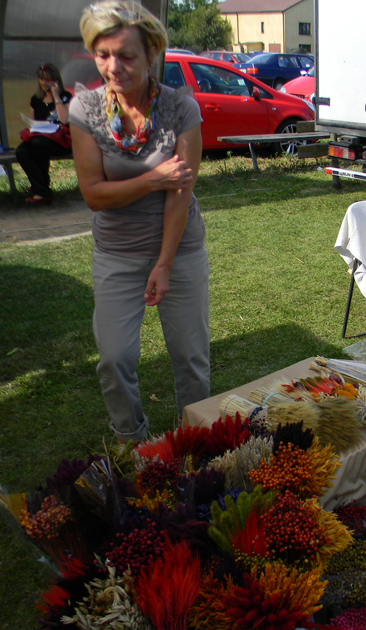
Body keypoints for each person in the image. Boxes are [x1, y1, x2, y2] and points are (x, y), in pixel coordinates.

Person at [70, 0, 210, 442]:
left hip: (179, 249)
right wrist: (154, 178)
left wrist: (164, 263)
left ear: (152, 54)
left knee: (191, 358)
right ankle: (132, 442)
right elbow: (94, 195)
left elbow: (180, 193)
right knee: (114, 360)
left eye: (126, 56)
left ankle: (196, 442)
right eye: (103, 55)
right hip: (117, 252)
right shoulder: (85, 109)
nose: (114, 67)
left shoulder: (181, 109)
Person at [16, 64, 73, 204]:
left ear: (56, 81)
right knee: (21, 151)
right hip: (40, 137)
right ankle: (41, 188)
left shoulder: (65, 97)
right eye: (41, 79)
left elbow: (65, 119)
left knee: (38, 144)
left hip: (61, 140)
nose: (44, 83)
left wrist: (56, 96)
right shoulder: (36, 100)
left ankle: (42, 189)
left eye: (48, 80)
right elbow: (33, 122)